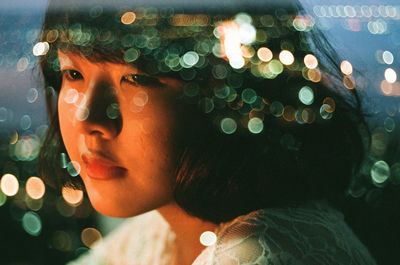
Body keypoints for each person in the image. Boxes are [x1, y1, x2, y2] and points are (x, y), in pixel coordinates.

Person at [38, 0, 377, 264]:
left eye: (138, 78)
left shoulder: (260, 253)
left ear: (227, 91)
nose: (88, 118)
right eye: (72, 74)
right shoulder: (160, 231)